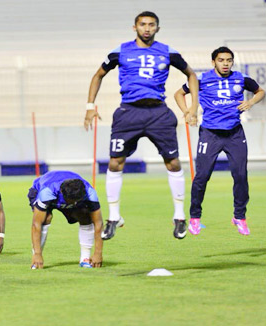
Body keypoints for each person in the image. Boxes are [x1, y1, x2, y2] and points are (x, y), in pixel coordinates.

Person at [84, 11, 199, 240]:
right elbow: (98, 75)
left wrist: (193, 107)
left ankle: (179, 216)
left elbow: (192, 75)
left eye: (151, 25)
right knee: (115, 162)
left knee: (173, 162)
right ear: (134, 27)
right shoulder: (121, 51)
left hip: (158, 112)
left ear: (158, 28)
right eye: (143, 24)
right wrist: (89, 106)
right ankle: (114, 218)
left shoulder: (167, 51)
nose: (147, 28)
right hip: (129, 112)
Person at [174, 46, 265, 236]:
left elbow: (260, 91)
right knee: (202, 176)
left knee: (240, 176)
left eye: (229, 60)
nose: (225, 64)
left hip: (235, 134)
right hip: (210, 134)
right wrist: (188, 112)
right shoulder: (201, 79)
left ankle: (239, 217)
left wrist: (251, 102)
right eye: (221, 60)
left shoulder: (241, 78)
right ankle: (195, 217)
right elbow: (178, 94)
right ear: (213, 62)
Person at [28, 171, 103, 269]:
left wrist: (98, 253)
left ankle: (85, 258)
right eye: (72, 202)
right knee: (46, 218)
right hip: (39, 190)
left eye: (77, 201)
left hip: (71, 196)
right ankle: (36, 259)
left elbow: (98, 223)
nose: (74, 203)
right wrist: (37, 254)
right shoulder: (47, 192)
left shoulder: (90, 192)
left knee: (85, 216)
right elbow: (36, 224)